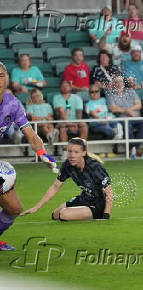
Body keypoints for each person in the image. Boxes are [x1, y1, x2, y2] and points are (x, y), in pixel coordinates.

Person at [0, 61, 57, 251]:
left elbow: (31, 135)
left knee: (14, 208)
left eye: (1, 75)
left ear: (7, 78)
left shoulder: (12, 104)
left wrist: (42, 153)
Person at [22, 138, 113, 221]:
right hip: (84, 199)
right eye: (70, 151)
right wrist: (36, 207)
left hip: (98, 205)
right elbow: (55, 187)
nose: (72, 155)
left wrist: (106, 216)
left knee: (64, 214)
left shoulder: (94, 167)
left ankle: (94, 214)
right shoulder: (67, 165)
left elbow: (109, 192)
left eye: (76, 152)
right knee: (55, 215)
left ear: (83, 153)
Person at [106, 76, 143, 157]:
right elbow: (113, 109)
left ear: (124, 83)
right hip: (122, 119)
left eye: (121, 81)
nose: (119, 84)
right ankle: (134, 148)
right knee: (127, 126)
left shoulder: (131, 92)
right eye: (117, 82)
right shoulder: (111, 94)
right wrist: (127, 111)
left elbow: (139, 105)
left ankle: (134, 147)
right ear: (114, 84)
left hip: (136, 117)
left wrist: (129, 109)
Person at [53, 80, 89, 160]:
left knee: (84, 125)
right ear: (60, 88)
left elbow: (79, 113)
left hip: (75, 122)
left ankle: (81, 151)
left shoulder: (77, 98)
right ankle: (65, 152)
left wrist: (76, 123)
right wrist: (69, 123)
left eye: (67, 85)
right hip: (62, 121)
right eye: (63, 86)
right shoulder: (56, 98)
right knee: (62, 127)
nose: (65, 87)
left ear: (70, 87)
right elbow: (58, 113)